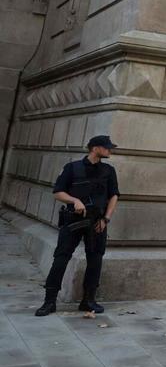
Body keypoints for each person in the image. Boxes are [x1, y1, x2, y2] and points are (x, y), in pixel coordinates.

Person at [35, 135, 120, 316]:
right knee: (61, 258)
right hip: (73, 220)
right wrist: (74, 200)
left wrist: (106, 219)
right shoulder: (72, 168)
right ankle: (49, 301)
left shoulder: (108, 171)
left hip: (97, 222)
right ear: (95, 148)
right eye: (107, 148)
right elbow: (58, 192)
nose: (110, 150)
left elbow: (114, 196)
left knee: (95, 260)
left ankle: (88, 301)